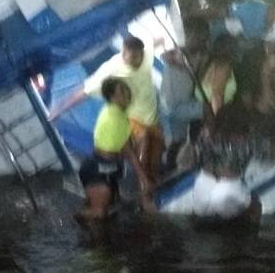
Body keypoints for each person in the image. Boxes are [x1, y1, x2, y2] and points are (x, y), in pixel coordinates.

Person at [50, 36, 163, 183]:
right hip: (132, 118)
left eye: (140, 57)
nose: (138, 61)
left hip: (151, 116)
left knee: (156, 151)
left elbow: (156, 41)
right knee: (143, 137)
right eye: (133, 57)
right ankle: (142, 185)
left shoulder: (145, 54)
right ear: (124, 54)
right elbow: (83, 91)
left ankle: (151, 182)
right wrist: (58, 110)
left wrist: (165, 43)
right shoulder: (111, 69)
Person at [77, 77, 153, 220]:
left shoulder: (116, 112)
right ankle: (79, 217)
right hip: (96, 169)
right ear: (112, 97)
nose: (126, 94)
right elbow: (128, 151)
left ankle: (91, 208)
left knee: (108, 211)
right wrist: (144, 179)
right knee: (99, 214)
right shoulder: (114, 116)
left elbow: (125, 147)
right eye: (121, 92)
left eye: (126, 90)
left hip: (110, 167)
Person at [193, 101, 261, 222]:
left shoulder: (205, 136)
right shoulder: (245, 142)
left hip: (202, 187)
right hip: (228, 191)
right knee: (256, 206)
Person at [160, 16, 209, 168]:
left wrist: (188, 67)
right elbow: (165, 56)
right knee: (176, 142)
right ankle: (171, 168)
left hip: (184, 104)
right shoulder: (174, 50)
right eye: (191, 34)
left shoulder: (202, 55)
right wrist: (179, 61)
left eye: (199, 35)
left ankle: (197, 151)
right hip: (168, 105)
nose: (194, 38)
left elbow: (199, 77)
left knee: (208, 109)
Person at [195, 34, 237, 116]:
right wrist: (217, 121)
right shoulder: (223, 66)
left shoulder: (207, 62)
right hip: (216, 112)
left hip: (204, 110)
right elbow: (217, 95)